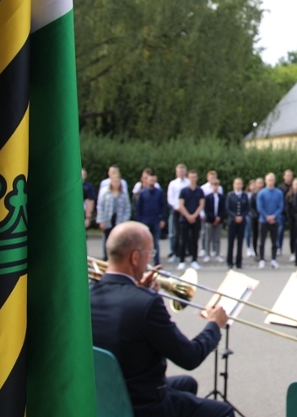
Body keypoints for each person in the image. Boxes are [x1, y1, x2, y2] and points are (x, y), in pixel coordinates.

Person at [90, 221, 233, 417]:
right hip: (143, 405)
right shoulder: (147, 304)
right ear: (135, 257)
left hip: (107, 394)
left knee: (187, 383)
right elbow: (190, 357)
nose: (150, 261)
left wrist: (140, 293)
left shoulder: (87, 295)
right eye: (150, 254)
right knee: (223, 412)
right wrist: (214, 325)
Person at [97, 166, 131, 259]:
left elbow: (127, 207)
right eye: (115, 181)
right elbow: (100, 206)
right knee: (107, 239)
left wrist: (125, 220)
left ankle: (117, 257)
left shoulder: (123, 194)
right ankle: (106, 257)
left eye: (118, 181)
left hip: (119, 218)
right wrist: (101, 220)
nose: (116, 183)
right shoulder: (105, 192)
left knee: (119, 239)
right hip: (108, 218)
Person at [134, 170, 167, 265]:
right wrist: (139, 221)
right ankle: (144, 262)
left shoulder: (159, 192)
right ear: (147, 180)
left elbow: (163, 206)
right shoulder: (142, 193)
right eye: (150, 180)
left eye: (153, 180)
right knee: (144, 244)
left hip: (156, 221)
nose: (152, 182)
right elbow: (138, 208)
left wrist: (163, 219)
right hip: (144, 221)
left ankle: (156, 262)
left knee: (155, 243)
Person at [176, 170, 205, 270]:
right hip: (184, 219)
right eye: (191, 177)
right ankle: (182, 261)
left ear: (196, 178)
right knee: (183, 240)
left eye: (194, 177)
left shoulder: (199, 191)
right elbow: (181, 205)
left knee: (194, 240)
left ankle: (194, 260)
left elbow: (201, 204)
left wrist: (194, 215)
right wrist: (188, 216)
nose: (193, 179)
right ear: (188, 178)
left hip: (196, 219)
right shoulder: (183, 191)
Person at [256, 172, 284, 268]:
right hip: (263, 220)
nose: (270, 182)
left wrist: (274, 216)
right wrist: (267, 216)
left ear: (274, 181)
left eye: (272, 180)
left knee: (274, 241)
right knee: (262, 241)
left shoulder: (279, 193)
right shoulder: (261, 193)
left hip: (275, 220)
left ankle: (273, 259)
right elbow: (260, 207)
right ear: (266, 181)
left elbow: (280, 206)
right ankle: (262, 259)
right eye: (269, 180)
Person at [225, 177, 249, 269]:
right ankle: (229, 262)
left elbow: (247, 208)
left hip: (242, 221)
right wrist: (235, 216)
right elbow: (228, 208)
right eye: (237, 183)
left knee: (240, 243)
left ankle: (239, 262)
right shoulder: (230, 195)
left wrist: (242, 216)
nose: (238, 185)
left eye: (240, 183)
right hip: (232, 221)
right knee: (231, 243)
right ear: (233, 185)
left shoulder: (244, 195)